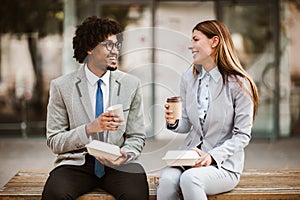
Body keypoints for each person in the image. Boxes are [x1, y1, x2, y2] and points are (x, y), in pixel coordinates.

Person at [42, 16, 149, 200]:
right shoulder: (61, 87)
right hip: (76, 164)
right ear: (90, 48)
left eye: (117, 45)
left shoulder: (131, 84)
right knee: (55, 194)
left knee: (136, 194)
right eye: (108, 45)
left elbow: (136, 136)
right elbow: (55, 140)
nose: (115, 51)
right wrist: (90, 129)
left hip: (119, 165)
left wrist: (127, 154)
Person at [157, 20, 259, 200]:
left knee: (190, 179)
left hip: (222, 165)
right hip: (188, 158)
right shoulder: (189, 77)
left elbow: (242, 135)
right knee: (166, 180)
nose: (191, 46)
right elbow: (187, 123)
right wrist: (174, 122)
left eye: (196, 39)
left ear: (214, 42)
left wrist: (211, 157)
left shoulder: (239, 83)